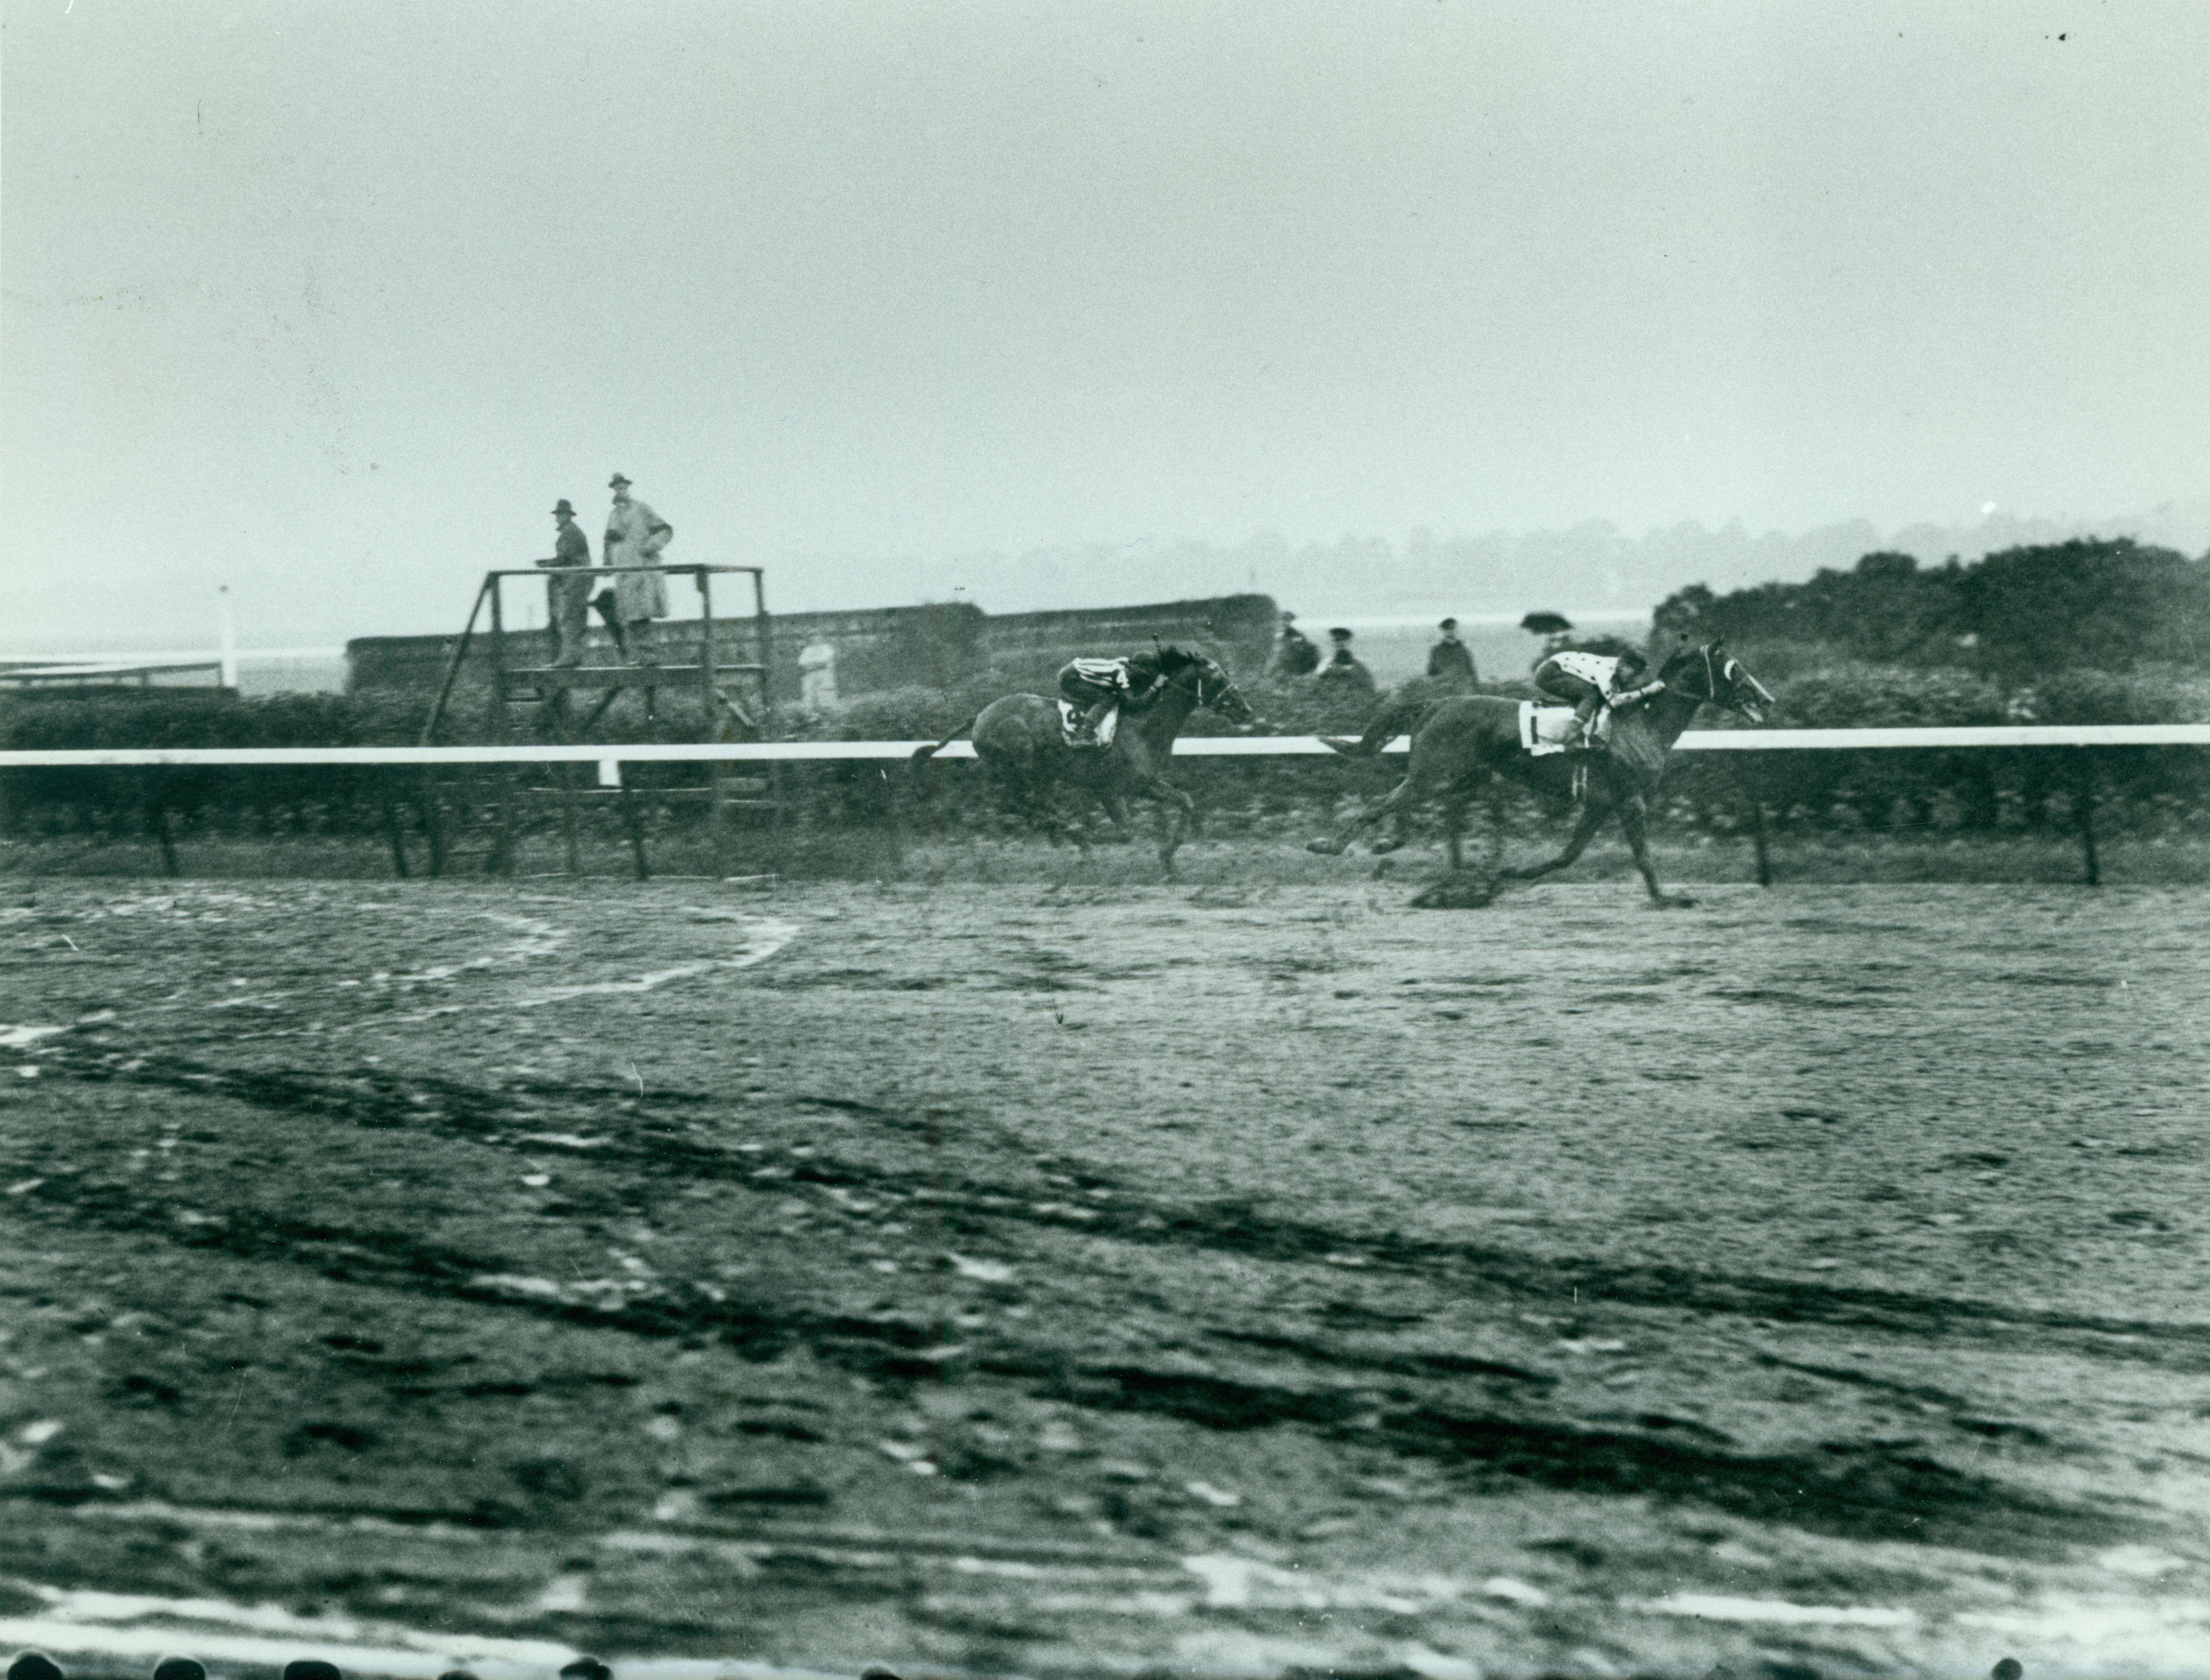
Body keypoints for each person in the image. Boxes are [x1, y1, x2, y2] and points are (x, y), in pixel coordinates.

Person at [600, 474, 673, 664]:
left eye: (623, 487)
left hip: (643, 570)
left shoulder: (642, 509)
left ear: (628, 488)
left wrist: (649, 547)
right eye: (617, 488)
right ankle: (643, 657)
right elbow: (608, 541)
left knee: (642, 614)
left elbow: (666, 530)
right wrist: (607, 564)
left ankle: (651, 657)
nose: (620, 491)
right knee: (631, 617)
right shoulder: (614, 515)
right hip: (625, 572)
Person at [1533, 644, 1663, 748]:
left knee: (1598, 698)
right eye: (1633, 674)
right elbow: (1615, 701)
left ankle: (1589, 736)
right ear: (1624, 666)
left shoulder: (1616, 669)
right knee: (1590, 694)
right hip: (1550, 672)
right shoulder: (1605, 671)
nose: (1633, 679)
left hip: (1560, 669)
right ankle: (1572, 736)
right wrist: (1646, 691)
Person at [1057, 647, 1173, 744]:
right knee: (1107, 699)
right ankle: (1083, 735)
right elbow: (1134, 703)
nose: (1149, 674)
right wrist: (1155, 687)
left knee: (1114, 696)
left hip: (1076, 671)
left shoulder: (1129, 665)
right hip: (1071, 678)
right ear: (1139, 668)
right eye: (1148, 671)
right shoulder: (1121, 675)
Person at [535, 499, 593, 666]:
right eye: (558, 515)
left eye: (562, 515)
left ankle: (570, 657)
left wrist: (546, 565)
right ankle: (573, 656)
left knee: (570, 618)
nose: (558, 518)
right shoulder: (570, 532)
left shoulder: (571, 532)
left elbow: (566, 559)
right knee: (572, 618)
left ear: (568, 516)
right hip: (576, 578)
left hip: (576, 579)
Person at [1314, 627, 1375, 695]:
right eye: (1336, 641)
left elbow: (1369, 688)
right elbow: (1317, 686)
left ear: (1348, 642)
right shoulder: (1325, 665)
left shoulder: (1359, 667)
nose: (1339, 644)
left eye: (1342, 640)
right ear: (1332, 642)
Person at [1426, 617, 1476, 688]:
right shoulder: (1437, 651)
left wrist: (1474, 685)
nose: (1454, 632)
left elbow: (1472, 672)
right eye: (1451, 629)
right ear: (1445, 631)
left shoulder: (1463, 650)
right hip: (1444, 689)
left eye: (1455, 629)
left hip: (1463, 688)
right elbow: (1431, 673)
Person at [1269, 611, 1320, 677]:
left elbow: (1305, 648)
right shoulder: (1274, 635)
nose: (1284, 623)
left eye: (1287, 621)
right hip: (1279, 668)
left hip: (1295, 668)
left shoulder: (1297, 635)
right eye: (1282, 621)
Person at [798, 633, 839, 709]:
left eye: (818, 638)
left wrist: (813, 662)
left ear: (821, 639)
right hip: (811, 673)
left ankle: (827, 709)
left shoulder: (827, 648)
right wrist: (816, 663)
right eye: (814, 639)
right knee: (809, 691)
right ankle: (811, 709)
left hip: (824, 672)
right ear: (811, 640)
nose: (816, 640)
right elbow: (802, 662)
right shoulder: (808, 650)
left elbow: (826, 659)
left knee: (826, 691)